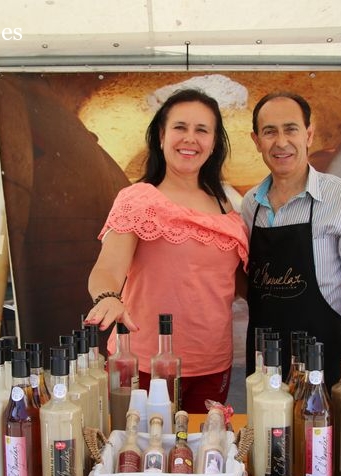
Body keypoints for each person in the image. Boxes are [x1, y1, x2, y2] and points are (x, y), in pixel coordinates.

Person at [84, 89, 248, 413]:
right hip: (144, 363)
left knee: (202, 444)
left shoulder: (226, 205)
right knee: (143, 444)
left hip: (213, 364)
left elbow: (234, 283)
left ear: (214, 142)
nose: (190, 138)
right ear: (161, 136)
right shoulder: (138, 198)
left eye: (202, 130)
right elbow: (106, 270)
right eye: (180, 127)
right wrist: (108, 298)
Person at [241, 92, 341, 388]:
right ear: (257, 141)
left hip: (326, 360)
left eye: (291, 129)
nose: (281, 142)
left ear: (308, 134)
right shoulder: (250, 204)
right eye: (270, 132)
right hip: (265, 363)